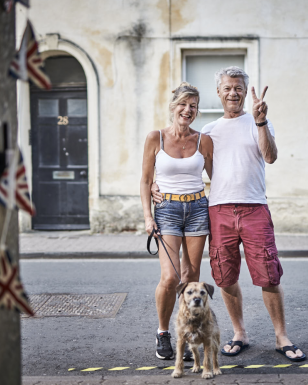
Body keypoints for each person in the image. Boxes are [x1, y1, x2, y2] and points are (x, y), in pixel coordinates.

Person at [152, 67, 306, 362]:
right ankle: (240, 334)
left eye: (238, 88)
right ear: (219, 93)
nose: (233, 92)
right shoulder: (208, 131)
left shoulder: (258, 122)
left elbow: (270, 156)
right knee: (224, 277)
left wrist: (260, 121)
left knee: (269, 275)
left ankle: (281, 336)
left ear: (244, 92)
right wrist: (156, 185)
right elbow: (187, 165)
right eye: (227, 88)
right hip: (218, 210)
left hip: (254, 207)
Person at [140, 82, 213, 361]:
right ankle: (163, 332)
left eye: (193, 106)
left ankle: (188, 332)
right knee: (170, 278)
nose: (188, 110)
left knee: (190, 278)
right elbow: (146, 180)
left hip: (197, 209)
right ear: (173, 107)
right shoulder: (155, 138)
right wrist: (148, 216)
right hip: (167, 209)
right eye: (183, 104)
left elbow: (217, 178)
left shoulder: (202, 140)